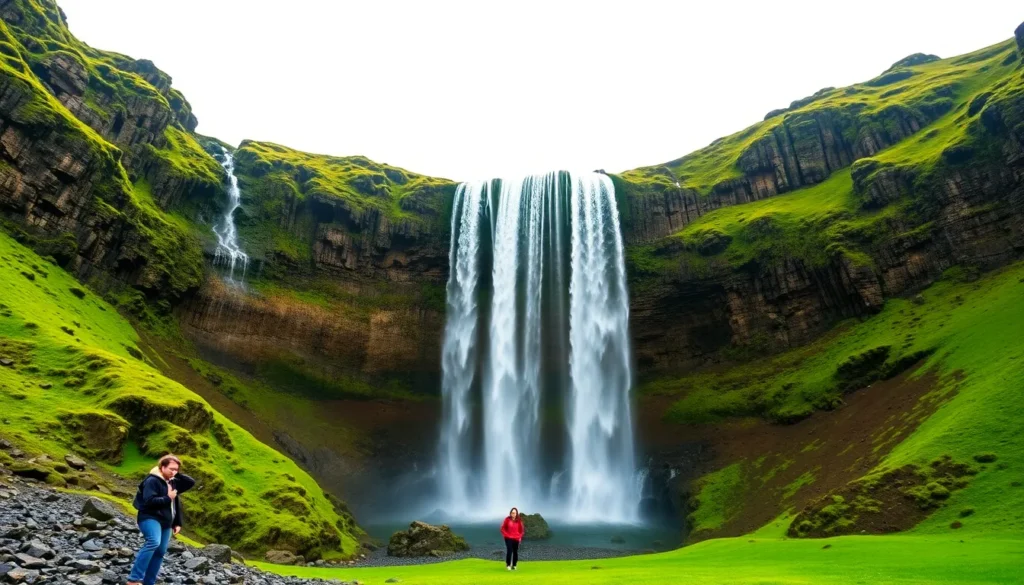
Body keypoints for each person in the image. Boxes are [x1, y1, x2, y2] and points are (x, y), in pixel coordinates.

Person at [127, 454, 196, 585]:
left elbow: (190, 483)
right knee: (153, 542)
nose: (174, 471)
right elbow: (149, 501)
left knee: (160, 551)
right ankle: (133, 580)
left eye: (176, 469)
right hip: (149, 517)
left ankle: (149, 582)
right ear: (162, 467)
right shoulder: (152, 481)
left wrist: (177, 522)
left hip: (167, 522)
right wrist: (168, 497)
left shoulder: (173, 481)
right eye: (171, 468)